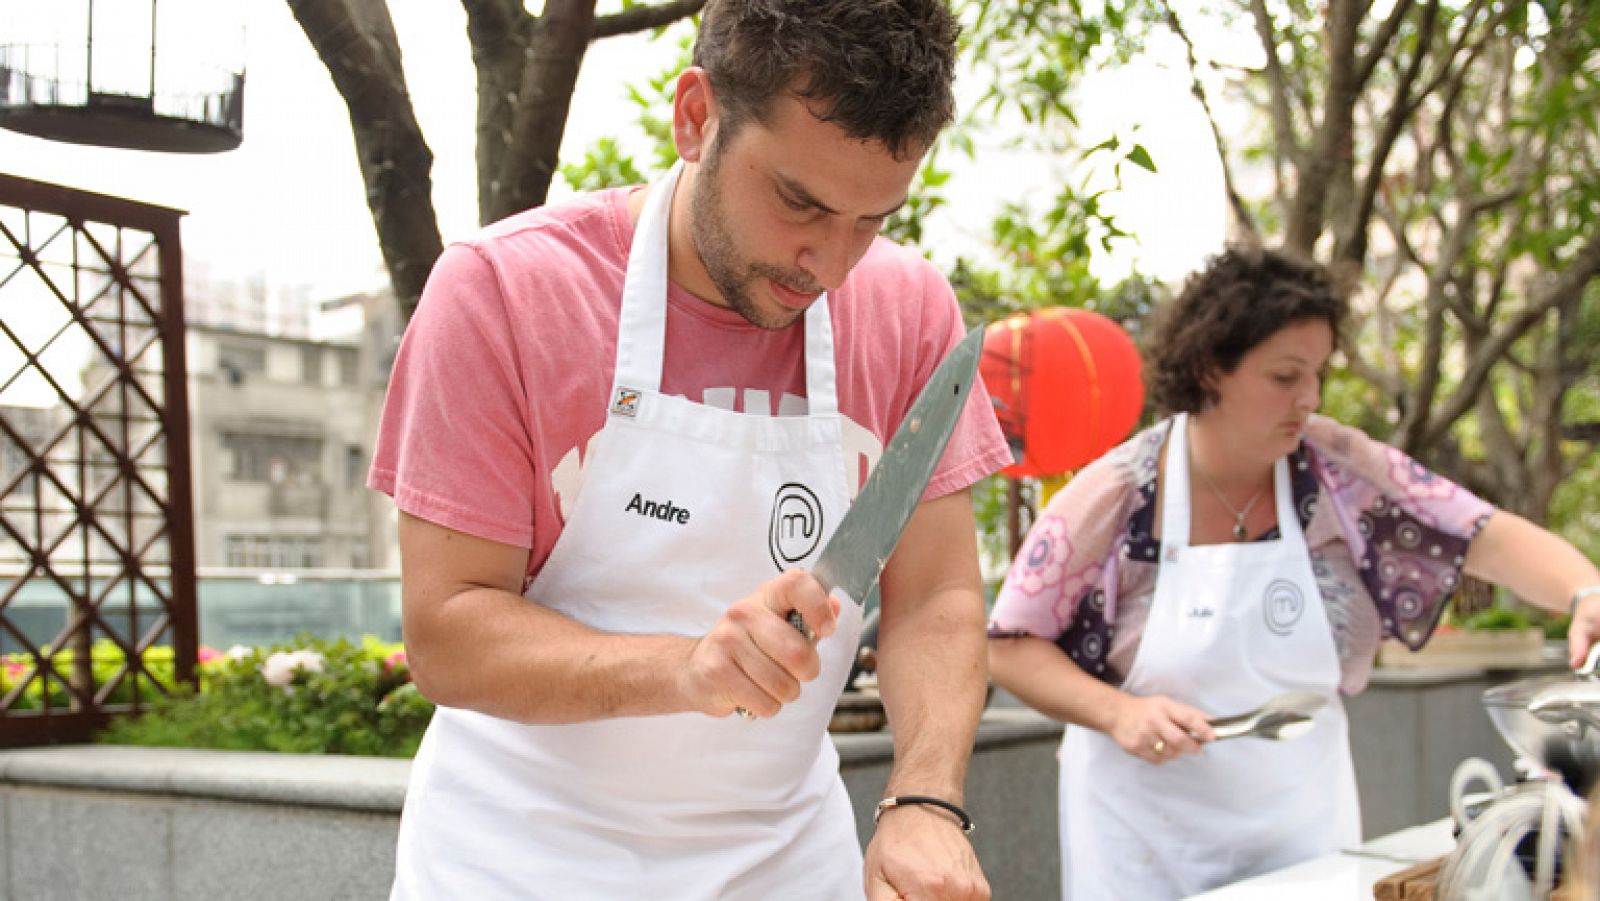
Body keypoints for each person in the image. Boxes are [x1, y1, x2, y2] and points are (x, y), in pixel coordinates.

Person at [368, 1, 1011, 897]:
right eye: (799, 201)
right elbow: (446, 633)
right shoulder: (506, 293)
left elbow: (936, 593)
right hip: (520, 859)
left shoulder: (910, 315)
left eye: (870, 222)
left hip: (784, 864)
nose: (828, 265)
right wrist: (685, 668)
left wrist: (925, 800)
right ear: (696, 117)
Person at [985, 245, 1600, 899]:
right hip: (1144, 839)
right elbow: (1010, 645)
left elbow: (1482, 533)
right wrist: (1115, 712)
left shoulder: (1339, 469)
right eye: (1284, 376)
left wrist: (1586, 589)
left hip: (1303, 823)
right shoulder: (1119, 492)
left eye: (1317, 374)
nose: (1307, 398)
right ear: (1208, 367)